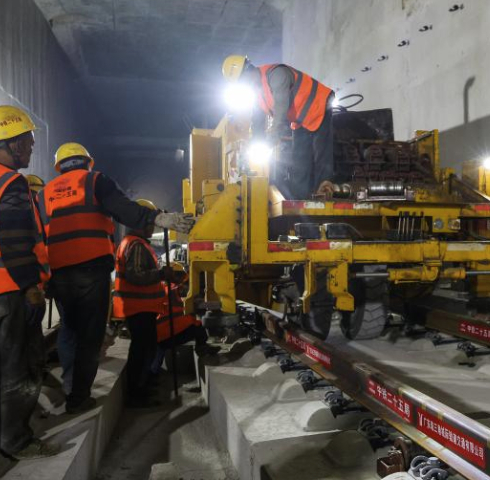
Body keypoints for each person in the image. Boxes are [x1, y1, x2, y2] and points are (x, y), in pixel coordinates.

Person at [39, 142, 194, 414]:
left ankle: (69, 386)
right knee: (90, 336)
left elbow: (37, 235)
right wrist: (159, 218)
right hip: (91, 272)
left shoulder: (45, 193)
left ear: (59, 167)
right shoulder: (95, 181)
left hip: (60, 274)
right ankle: (78, 397)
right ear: (87, 162)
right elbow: (125, 209)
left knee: (69, 330)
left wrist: (43, 279)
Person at [0, 105, 58, 459]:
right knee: (19, 364)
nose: (33, 148)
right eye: (29, 142)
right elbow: (15, 240)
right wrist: (30, 287)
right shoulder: (12, 182)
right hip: (10, 289)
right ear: (12, 143)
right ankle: (15, 438)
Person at [221, 54, 334, 199]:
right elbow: (257, 121)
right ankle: (299, 202)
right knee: (299, 161)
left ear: (249, 70)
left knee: (321, 151)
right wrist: (255, 146)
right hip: (300, 120)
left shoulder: (275, 74)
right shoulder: (256, 93)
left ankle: (324, 189)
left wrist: (273, 137)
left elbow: (281, 108)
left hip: (319, 103)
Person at [112, 200, 174, 408]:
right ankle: (137, 393)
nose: (152, 227)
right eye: (149, 223)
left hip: (139, 307)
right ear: (139, 223)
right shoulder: (136, 245)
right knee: (141, 350)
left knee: (144, 348)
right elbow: (135, 275)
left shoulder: (132, 242)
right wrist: (161, 274)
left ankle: (143, 384)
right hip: (138, 307)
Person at [150, 262, 218, 376]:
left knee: (157, 358)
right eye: (180, 275)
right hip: (167, 332)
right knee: (198, 326)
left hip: (159, 334)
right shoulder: (174, 289)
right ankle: (202, 348)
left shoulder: (162, 287)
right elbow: (186, 300)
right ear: (173, 275)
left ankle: (152, 374)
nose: (182, 279)